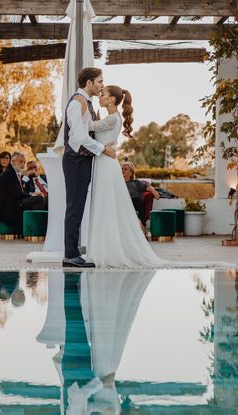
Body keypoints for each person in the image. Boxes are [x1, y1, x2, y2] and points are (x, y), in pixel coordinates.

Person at [85, 86, 168, 267]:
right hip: (103, 162)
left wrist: (84, 108)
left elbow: (87, 126)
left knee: (105, 205)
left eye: (103, 94)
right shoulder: (112, 118)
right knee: (103, 205)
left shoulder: (112, 119)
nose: (100, 96)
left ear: (112, 100)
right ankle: (103, 248)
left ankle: (106, 250)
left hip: (105, 164)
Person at [61, 67, 117, 268]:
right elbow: (78, 136)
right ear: (89, 83)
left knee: (78, 206)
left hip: (82, 160)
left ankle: (73, 252)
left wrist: (110, 125)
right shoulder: (77, 102)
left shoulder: (86, 102)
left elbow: (89, 128)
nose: (102, 85)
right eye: (100, 81)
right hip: (75, 160)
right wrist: (103, 149)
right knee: (74, 207)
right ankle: (70, 255)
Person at [0, 151, 45, 231]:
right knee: (39, 199)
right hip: (8, 209)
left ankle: (35, 226)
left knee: (42, 199)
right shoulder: (9, 174)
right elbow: (17, 193)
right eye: (20, 162)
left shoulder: (13, 173)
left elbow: (18, 192)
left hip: (13, 203)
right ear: (13, 161)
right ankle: (33, 229)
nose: (23, 164)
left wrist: (32, 194)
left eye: (24, 162)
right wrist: (32, 194)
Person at [120, 161, 159, 226]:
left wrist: (154, 191)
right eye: (122, 168)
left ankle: (143, 230)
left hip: (134, 205)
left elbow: (147, 186)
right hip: (122, 205)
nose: (123, 170)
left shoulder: (136, 183)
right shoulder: (118, 182)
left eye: (125, 169)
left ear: (131, 173)